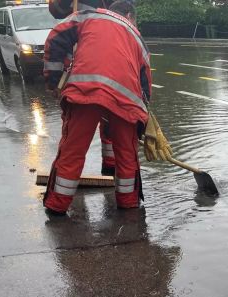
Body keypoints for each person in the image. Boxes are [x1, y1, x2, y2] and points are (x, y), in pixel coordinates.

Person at [42, 1, 161, 215]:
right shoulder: (137, 35)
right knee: (127, 153)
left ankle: (56, 205)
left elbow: (56, 37)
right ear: (128, 15)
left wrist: (54, 80)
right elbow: (146, 80)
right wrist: (143, 115)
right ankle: (128, 203)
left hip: (85, 92)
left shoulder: (87, 16)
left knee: (73, 149)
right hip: (126, 100)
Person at [49, 0, 123, 175]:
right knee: (77, 130)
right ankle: (70, 177)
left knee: (108, 122)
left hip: (103, 54)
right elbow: (56, 10)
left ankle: (110, 167)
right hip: (82, 55)